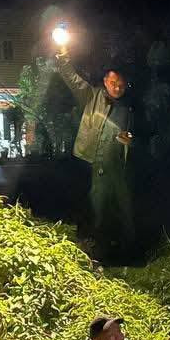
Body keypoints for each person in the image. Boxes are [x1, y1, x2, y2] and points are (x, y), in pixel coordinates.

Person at [55, 45, 136, 258]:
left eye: (121, 85)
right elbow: (72, 79)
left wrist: (130, 140)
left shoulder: (128, 108)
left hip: (115, 166)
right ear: (105, 82)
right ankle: (90, 246)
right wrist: (62, 53)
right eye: (113, 83)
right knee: (91, 205)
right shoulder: (92, 95)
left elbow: (134, 135)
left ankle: (124, 248)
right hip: (88, 160)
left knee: (121, 206)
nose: (117, 88)